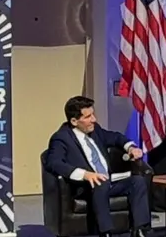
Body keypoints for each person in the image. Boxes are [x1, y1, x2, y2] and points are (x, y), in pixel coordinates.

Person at [43, 96, 149, 237]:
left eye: (93, 114)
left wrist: (131, 148)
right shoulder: (61, 138)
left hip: (108, 179)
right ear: (74, 121)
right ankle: (105, 232)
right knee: (101, 182)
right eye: (88, 117)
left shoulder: (95, 130)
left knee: (138, 181)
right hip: (85, 185)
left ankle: (139, 230)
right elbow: (53, 162)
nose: (94, 119)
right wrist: (86, 174)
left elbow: (116, 137)